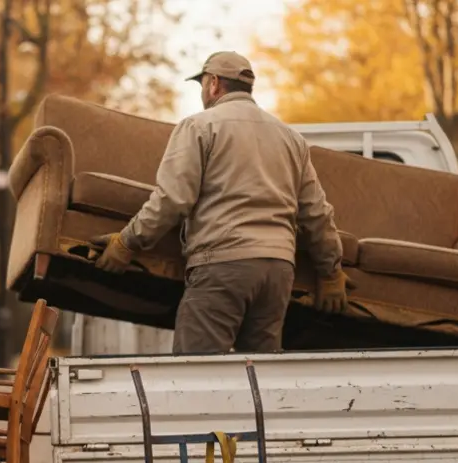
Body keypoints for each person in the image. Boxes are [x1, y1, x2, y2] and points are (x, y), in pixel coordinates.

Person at [92, 51, 349, 354]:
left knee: (196, 375)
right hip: (277, 273)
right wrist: (330, 271)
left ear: (213, 84)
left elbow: (173, 199)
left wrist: (127, 242)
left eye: (202, 84)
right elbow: (316, 213)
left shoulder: (199, 126)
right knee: (261, 379)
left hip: (224, 264)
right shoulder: (290, 138)